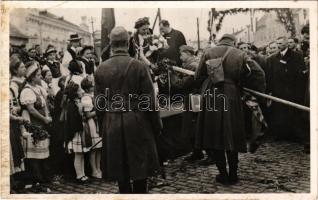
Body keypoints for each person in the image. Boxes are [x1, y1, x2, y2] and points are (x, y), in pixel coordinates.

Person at [95, 26, 162, 193]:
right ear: (128, 43)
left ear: (111, 44)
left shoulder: (101, 69)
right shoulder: (139, 66)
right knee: (140, 167)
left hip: (112, 122)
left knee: (120, 170)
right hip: (137, 121)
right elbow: (149, 101)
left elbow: (99, 104)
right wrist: (156, 125)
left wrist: (103, 126)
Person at [194, 34, 265, 185]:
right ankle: (233, 174)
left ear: (220, 41)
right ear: (234, 42)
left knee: (215, 137)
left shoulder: (208, 52)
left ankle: (223, 174)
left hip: (212, 96)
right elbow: (259, 73)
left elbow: (197, 75)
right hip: (232, 96)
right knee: (231, 134)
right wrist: (249, 88)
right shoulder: (240, 54)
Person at [169, 45, 206, 163]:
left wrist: (171, 74)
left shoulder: (192, 66)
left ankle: (202, 153)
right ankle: (197, 152)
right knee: (194, 125)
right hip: (195, 98)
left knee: (194, 125)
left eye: (182, 54)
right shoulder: (193, 64)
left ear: (188, 54)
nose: (180, 57)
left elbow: (181, 84)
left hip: (193, 98)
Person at [266, 36, 307, 141]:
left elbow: (301, 74)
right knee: (280, 113)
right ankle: (281, 134)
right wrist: (270, 91)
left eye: (280, 43)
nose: (279, 46)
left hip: (293, 91)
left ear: (286, 44)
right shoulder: (272, 59)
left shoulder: (297, 56)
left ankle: (294, 134)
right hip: (278, 91)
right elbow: (269, 76)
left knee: (293, 113)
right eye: (277, 44)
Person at [19, 62, 52, 188]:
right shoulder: (27, 91)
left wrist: (48, 116)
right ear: (32, 77)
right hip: (33, 123)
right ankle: (36, 178)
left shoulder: (38, 88)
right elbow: (31, 109)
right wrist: (44, 119)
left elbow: (45, 104)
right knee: (34, 152)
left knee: (42, 150)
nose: (40, 77)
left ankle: (43, 176)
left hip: (42, 123)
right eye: (38, 75)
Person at [64, 81, 90, 183]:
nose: (82, 92)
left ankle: (83, 174)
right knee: (78, 155)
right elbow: (73, 122)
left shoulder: (76, 103)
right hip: (76, 133)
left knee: (81, 154)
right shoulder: (71, 105)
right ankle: (79, 175)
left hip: (79, 131)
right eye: (79, 90)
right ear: (74, 93)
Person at [9, 56, 27, 191]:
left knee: (19, 148)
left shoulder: (22, 81)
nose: (24, 69)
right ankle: (15, 180)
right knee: (15, 148)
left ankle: (19, 178)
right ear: (15, 70)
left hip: (19, 116)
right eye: (21, 67)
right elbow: (15, 104)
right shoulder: (13, 85)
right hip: (16, 118)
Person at [81, 77, 102, 179]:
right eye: (91, 86)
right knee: (94, 148)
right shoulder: (86, 98)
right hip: (91, 123)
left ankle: (98, 169)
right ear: (87, 88)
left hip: (96, 122)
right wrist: (99, 110)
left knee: (99, 148)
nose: (93, 87)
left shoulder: (92, 96)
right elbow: (88, 114)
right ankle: (94, 170)